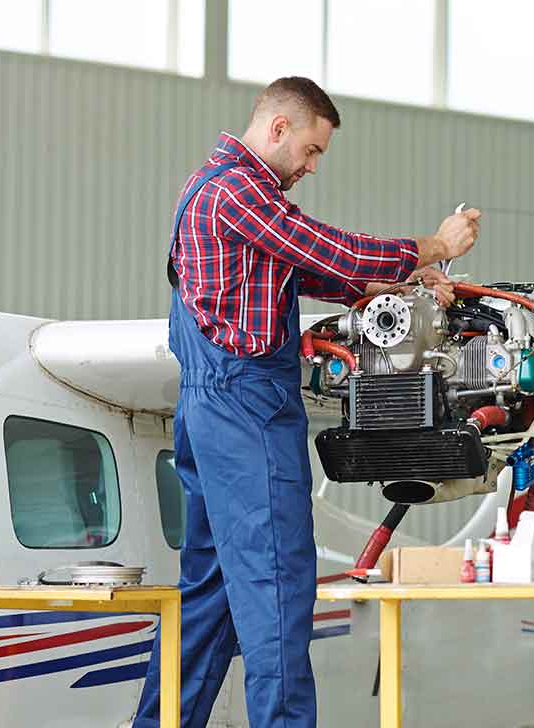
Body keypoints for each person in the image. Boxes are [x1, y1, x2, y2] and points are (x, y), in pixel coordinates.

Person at [134, 76, 480, 728]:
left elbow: (313, 270)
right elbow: (334, 251)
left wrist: (410, 277)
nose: (312, 167)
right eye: (312, 151)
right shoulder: (237, 190)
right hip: (247, 415)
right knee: (278, 591)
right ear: (278, 129)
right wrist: (434, 246)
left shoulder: (214, 193)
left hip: (211, 412)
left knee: (207, 596)